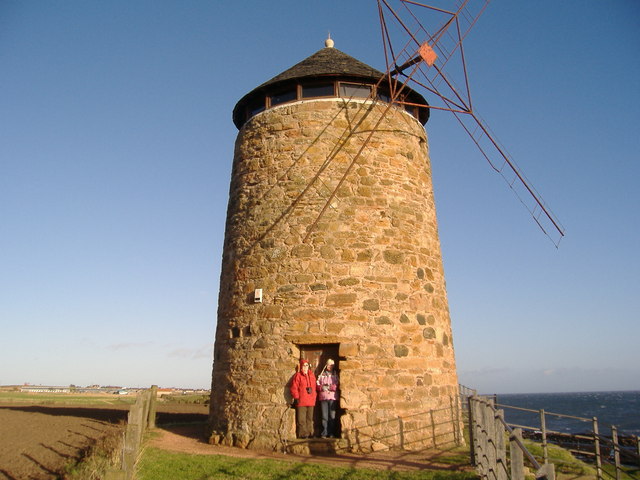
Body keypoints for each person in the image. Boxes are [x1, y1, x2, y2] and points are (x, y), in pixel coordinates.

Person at [289, 358, 317, 439]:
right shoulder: (298, 376)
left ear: (309, 366)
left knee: (309, 418)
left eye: (306, 365)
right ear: (301, 367)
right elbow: (294, 387)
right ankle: (303, 434)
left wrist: (314, 396)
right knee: (301, 419)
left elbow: (314, 387)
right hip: (301, 400)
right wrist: (296, 397)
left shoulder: (312, 375)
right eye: (304, 366)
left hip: (311, 401)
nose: (305, 367)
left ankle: (310, 433)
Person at [316, 358, 339, 438]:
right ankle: (324, 433)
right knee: (324, 416)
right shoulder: (321, 375)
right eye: (329, 365)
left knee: (332, 416)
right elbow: (317, 385)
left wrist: (330, 387)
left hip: (332, 398)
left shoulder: (336, 374)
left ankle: (331, 433)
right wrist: (322, 387)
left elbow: (337, 385)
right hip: (323, 398)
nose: (330, 366)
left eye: (332, 365)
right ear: (326, 365)